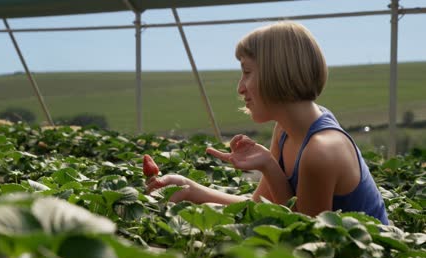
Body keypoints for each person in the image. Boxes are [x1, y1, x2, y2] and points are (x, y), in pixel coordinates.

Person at [146, 21, 389, 225]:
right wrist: (189, 189)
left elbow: (303, 239)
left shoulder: (321, 151)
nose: (240, 87)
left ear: (277, 71)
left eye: (247, 72)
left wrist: (270, 167)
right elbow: (261, 207)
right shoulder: (285, 130)